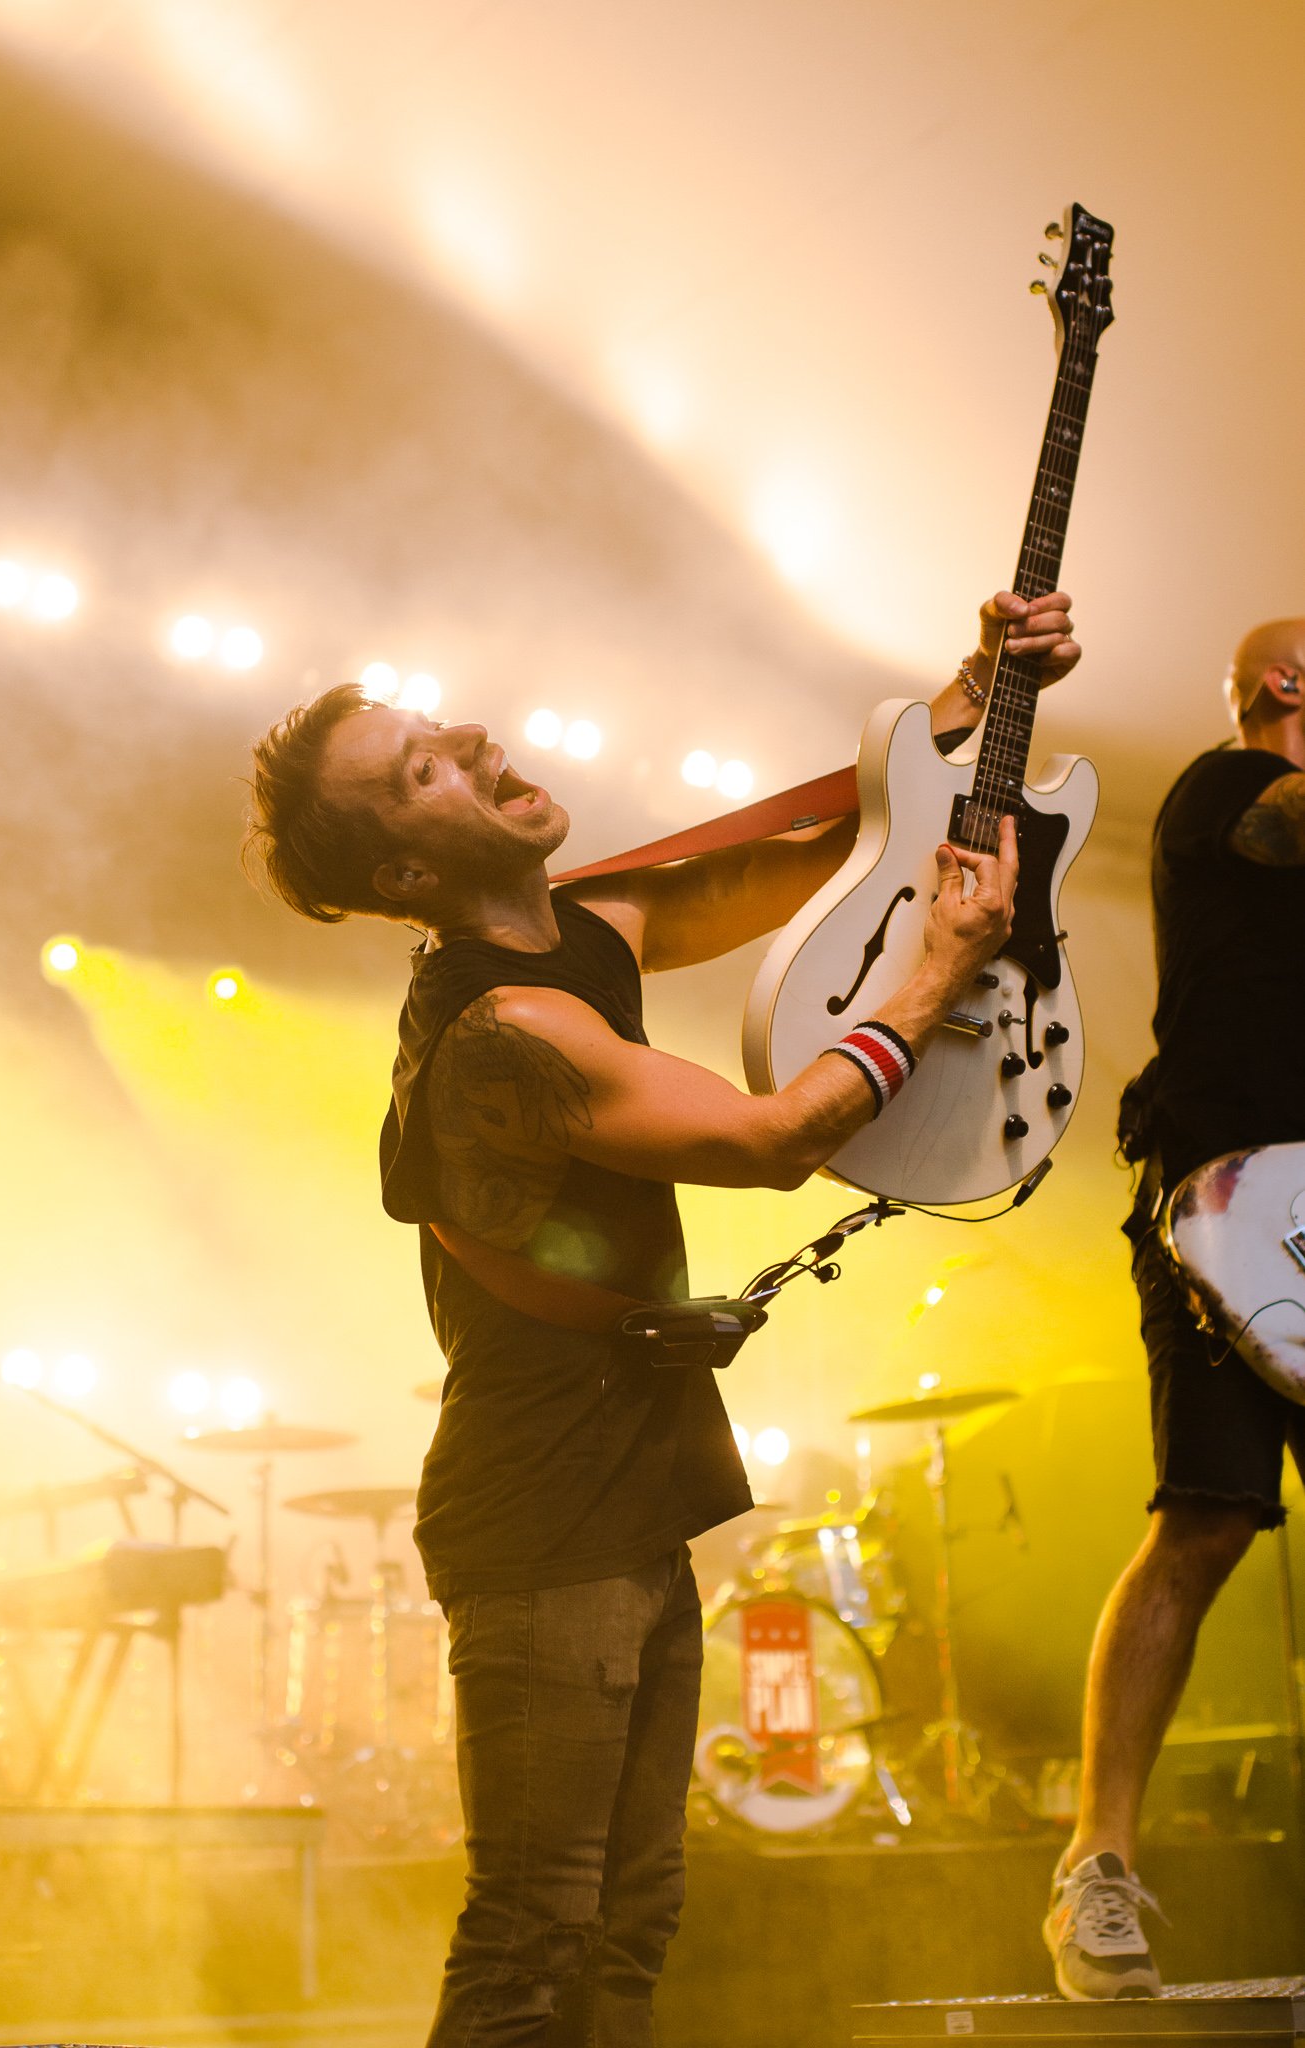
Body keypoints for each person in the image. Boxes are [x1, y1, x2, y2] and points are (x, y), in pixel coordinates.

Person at [246, 589, 1078, 2046]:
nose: (469, 736)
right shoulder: (505, 1032)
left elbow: (835, 855)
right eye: (423, 769)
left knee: (627, 1930)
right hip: (538, 1521)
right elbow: (771, 1138)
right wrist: (936, 969)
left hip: (621, 1501)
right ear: (398, 862)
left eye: (437, 730)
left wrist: (967, 705)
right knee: (533, 1933)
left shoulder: (587, 926)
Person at [1044, 618, 1305, 2002]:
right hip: (1223, 1183)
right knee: (1203, 1517)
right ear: (1286, 685)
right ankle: (1098, 1865)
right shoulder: (1224, 788)